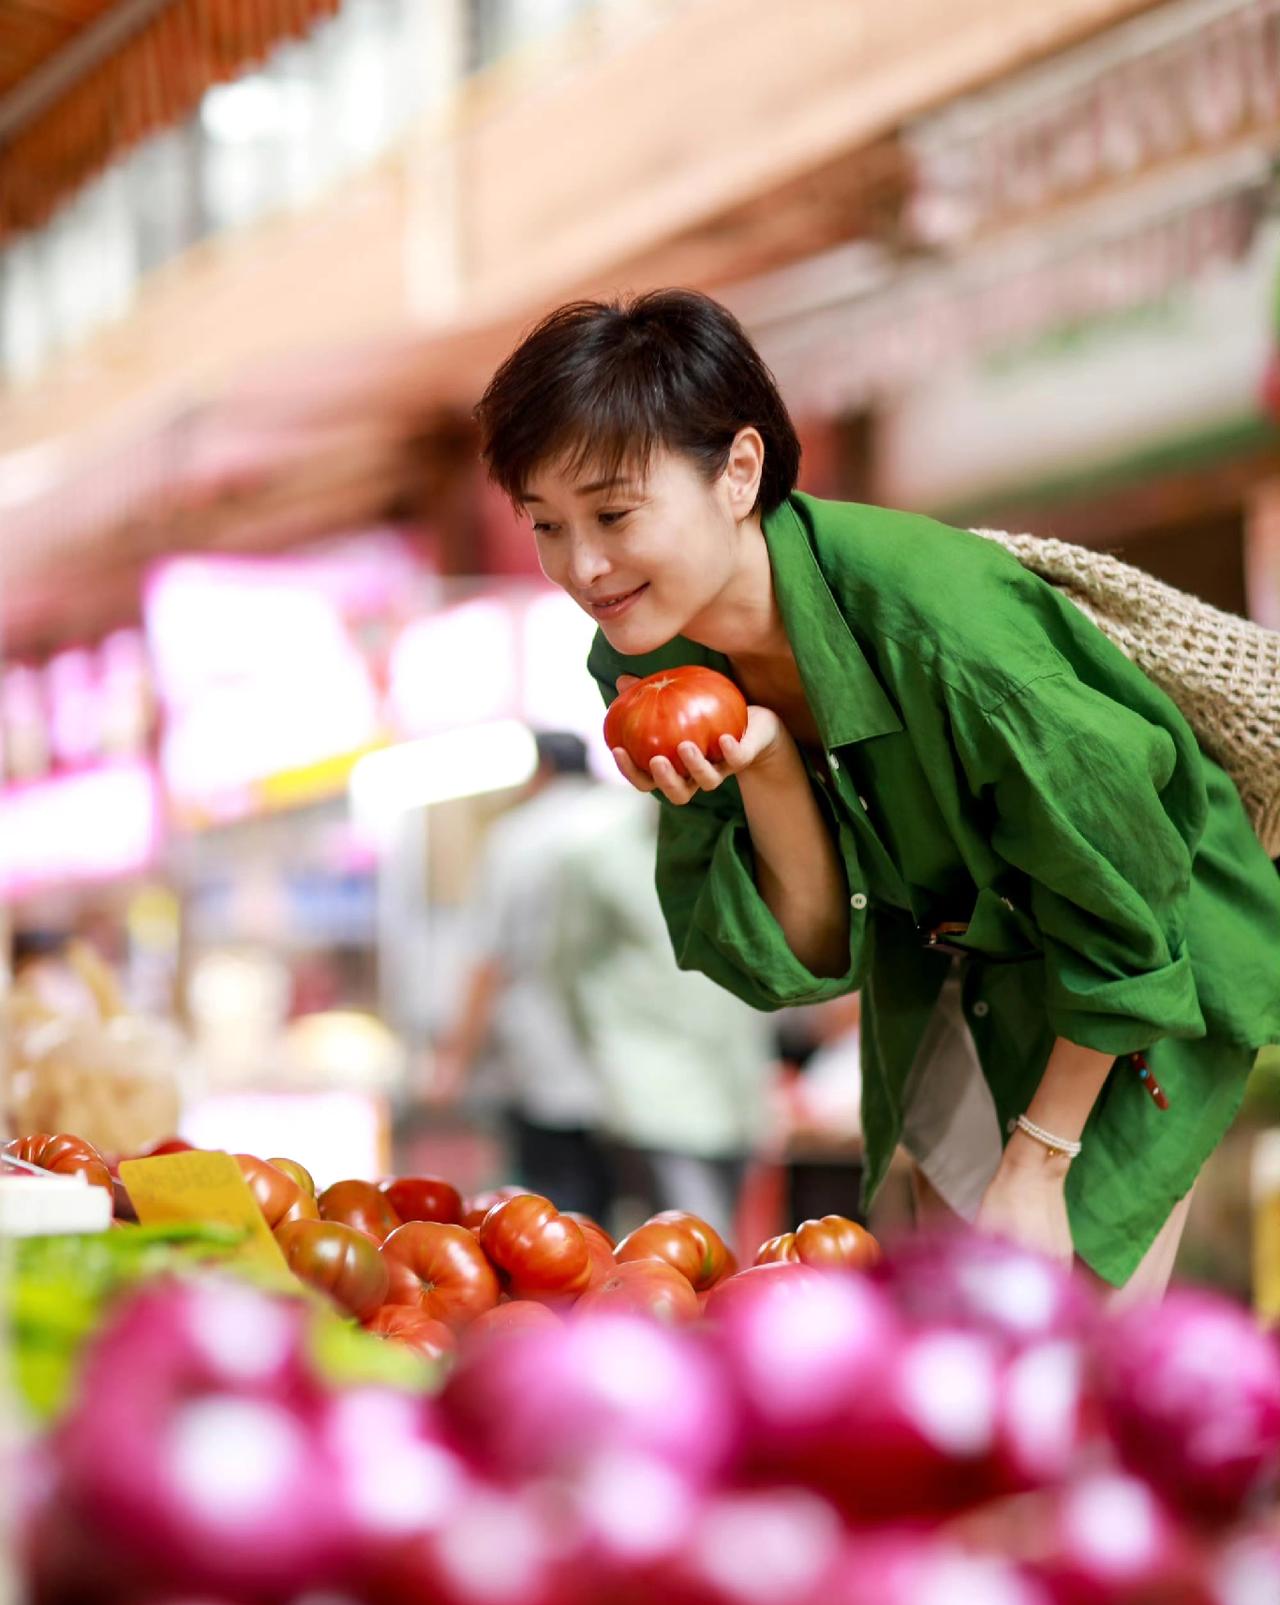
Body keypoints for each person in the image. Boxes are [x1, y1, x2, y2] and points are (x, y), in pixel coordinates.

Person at [473, 289, 1280, 1303]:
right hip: (958, 970)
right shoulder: (646, 658)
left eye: (613, 513)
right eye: (546, 524)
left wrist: (1039, 1160)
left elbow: (1128, 891)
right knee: (956, 1317)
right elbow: (807, 954)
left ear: (738, 471)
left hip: (1141, 966)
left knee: (1062, 1330)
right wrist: (767, 761)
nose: (581, 566)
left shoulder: (946, 627)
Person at [547, 788, 772, 1236]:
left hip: (735, 1077)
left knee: (719, 1230)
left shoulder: (747, 839)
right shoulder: (597, 856)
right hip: (648, 1076)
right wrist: (604, 1058)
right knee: (697, 1234)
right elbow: (567, 966)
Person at [429, 729, 613, 1222]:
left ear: (542, 770)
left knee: (552, 1215)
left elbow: (486, 958)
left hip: (544, 1057)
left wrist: (455, 1058)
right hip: (627, 1062)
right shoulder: (620, 824)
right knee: (613, 1209)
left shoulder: (517, 838)